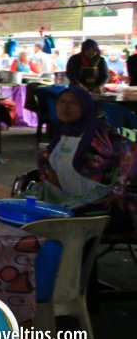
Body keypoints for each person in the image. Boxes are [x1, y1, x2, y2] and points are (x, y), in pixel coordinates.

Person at [34, 86, 137, 231]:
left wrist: (118, 189)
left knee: (58, 224)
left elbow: (132, 152)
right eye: (62, 102)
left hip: (98, 205)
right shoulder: (62, 132)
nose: (66, 107)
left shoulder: (100, 133)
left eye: (74, 103)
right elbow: (45, 156)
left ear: (86, 107)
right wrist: (48, 173)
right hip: (67, 198)